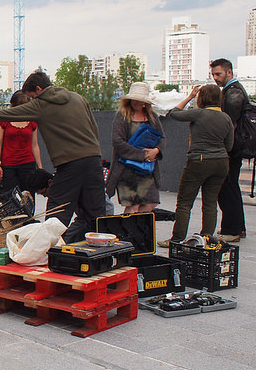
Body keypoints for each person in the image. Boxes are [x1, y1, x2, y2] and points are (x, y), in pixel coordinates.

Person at [0, 70, 105, 243]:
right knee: (95, 213)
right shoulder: (78, 98)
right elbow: (93, 127)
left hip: (70, 163)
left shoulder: (42, 105)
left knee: (56, 212)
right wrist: (94, 151)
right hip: (94, 158)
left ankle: (47, 253)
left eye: (32, 96)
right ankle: (103, 249)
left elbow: (9, 114)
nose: (33, 101)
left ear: (38, 89)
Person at [157, 84, 233, 248]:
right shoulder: (226, 118)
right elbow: (230, 144)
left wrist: (190, 96)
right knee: (210, 202)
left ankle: (177, 239)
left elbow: (175, 113)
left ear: (202, 98)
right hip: (221, 162)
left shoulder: (199, 113)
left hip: (199, 160)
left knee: (185, 202)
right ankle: (206, 239)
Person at [105, 82, 166, 214]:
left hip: (147, 170)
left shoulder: (152, 117)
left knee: (151, 202)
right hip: (127, 169)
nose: (138, 103)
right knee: (133, 205)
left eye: (141, 100)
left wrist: (156, 151)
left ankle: (139, 230)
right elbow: (117, 142)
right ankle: (129, 231)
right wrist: (142, 155)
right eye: (136, 100)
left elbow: (162, 138)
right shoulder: (122, 116)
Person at [211, 58, 247, 242]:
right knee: (231, 185)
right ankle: (237, 227)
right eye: (213, 75)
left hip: (231, 148)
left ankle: (231, 229)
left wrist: (223, 147)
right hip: (235, 147)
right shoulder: (234, 90)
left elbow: (230, 124)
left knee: (226, 187)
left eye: (218, 74)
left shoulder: (233, 92)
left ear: (229, 72)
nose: (215, 78)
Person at [0, 91, 43, 194]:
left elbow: (35, 145)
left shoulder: (31, 121)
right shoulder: (4, 120)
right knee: (11, 196)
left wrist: (40, 167)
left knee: (28, 195)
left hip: (28, 163)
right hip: (9, 164)